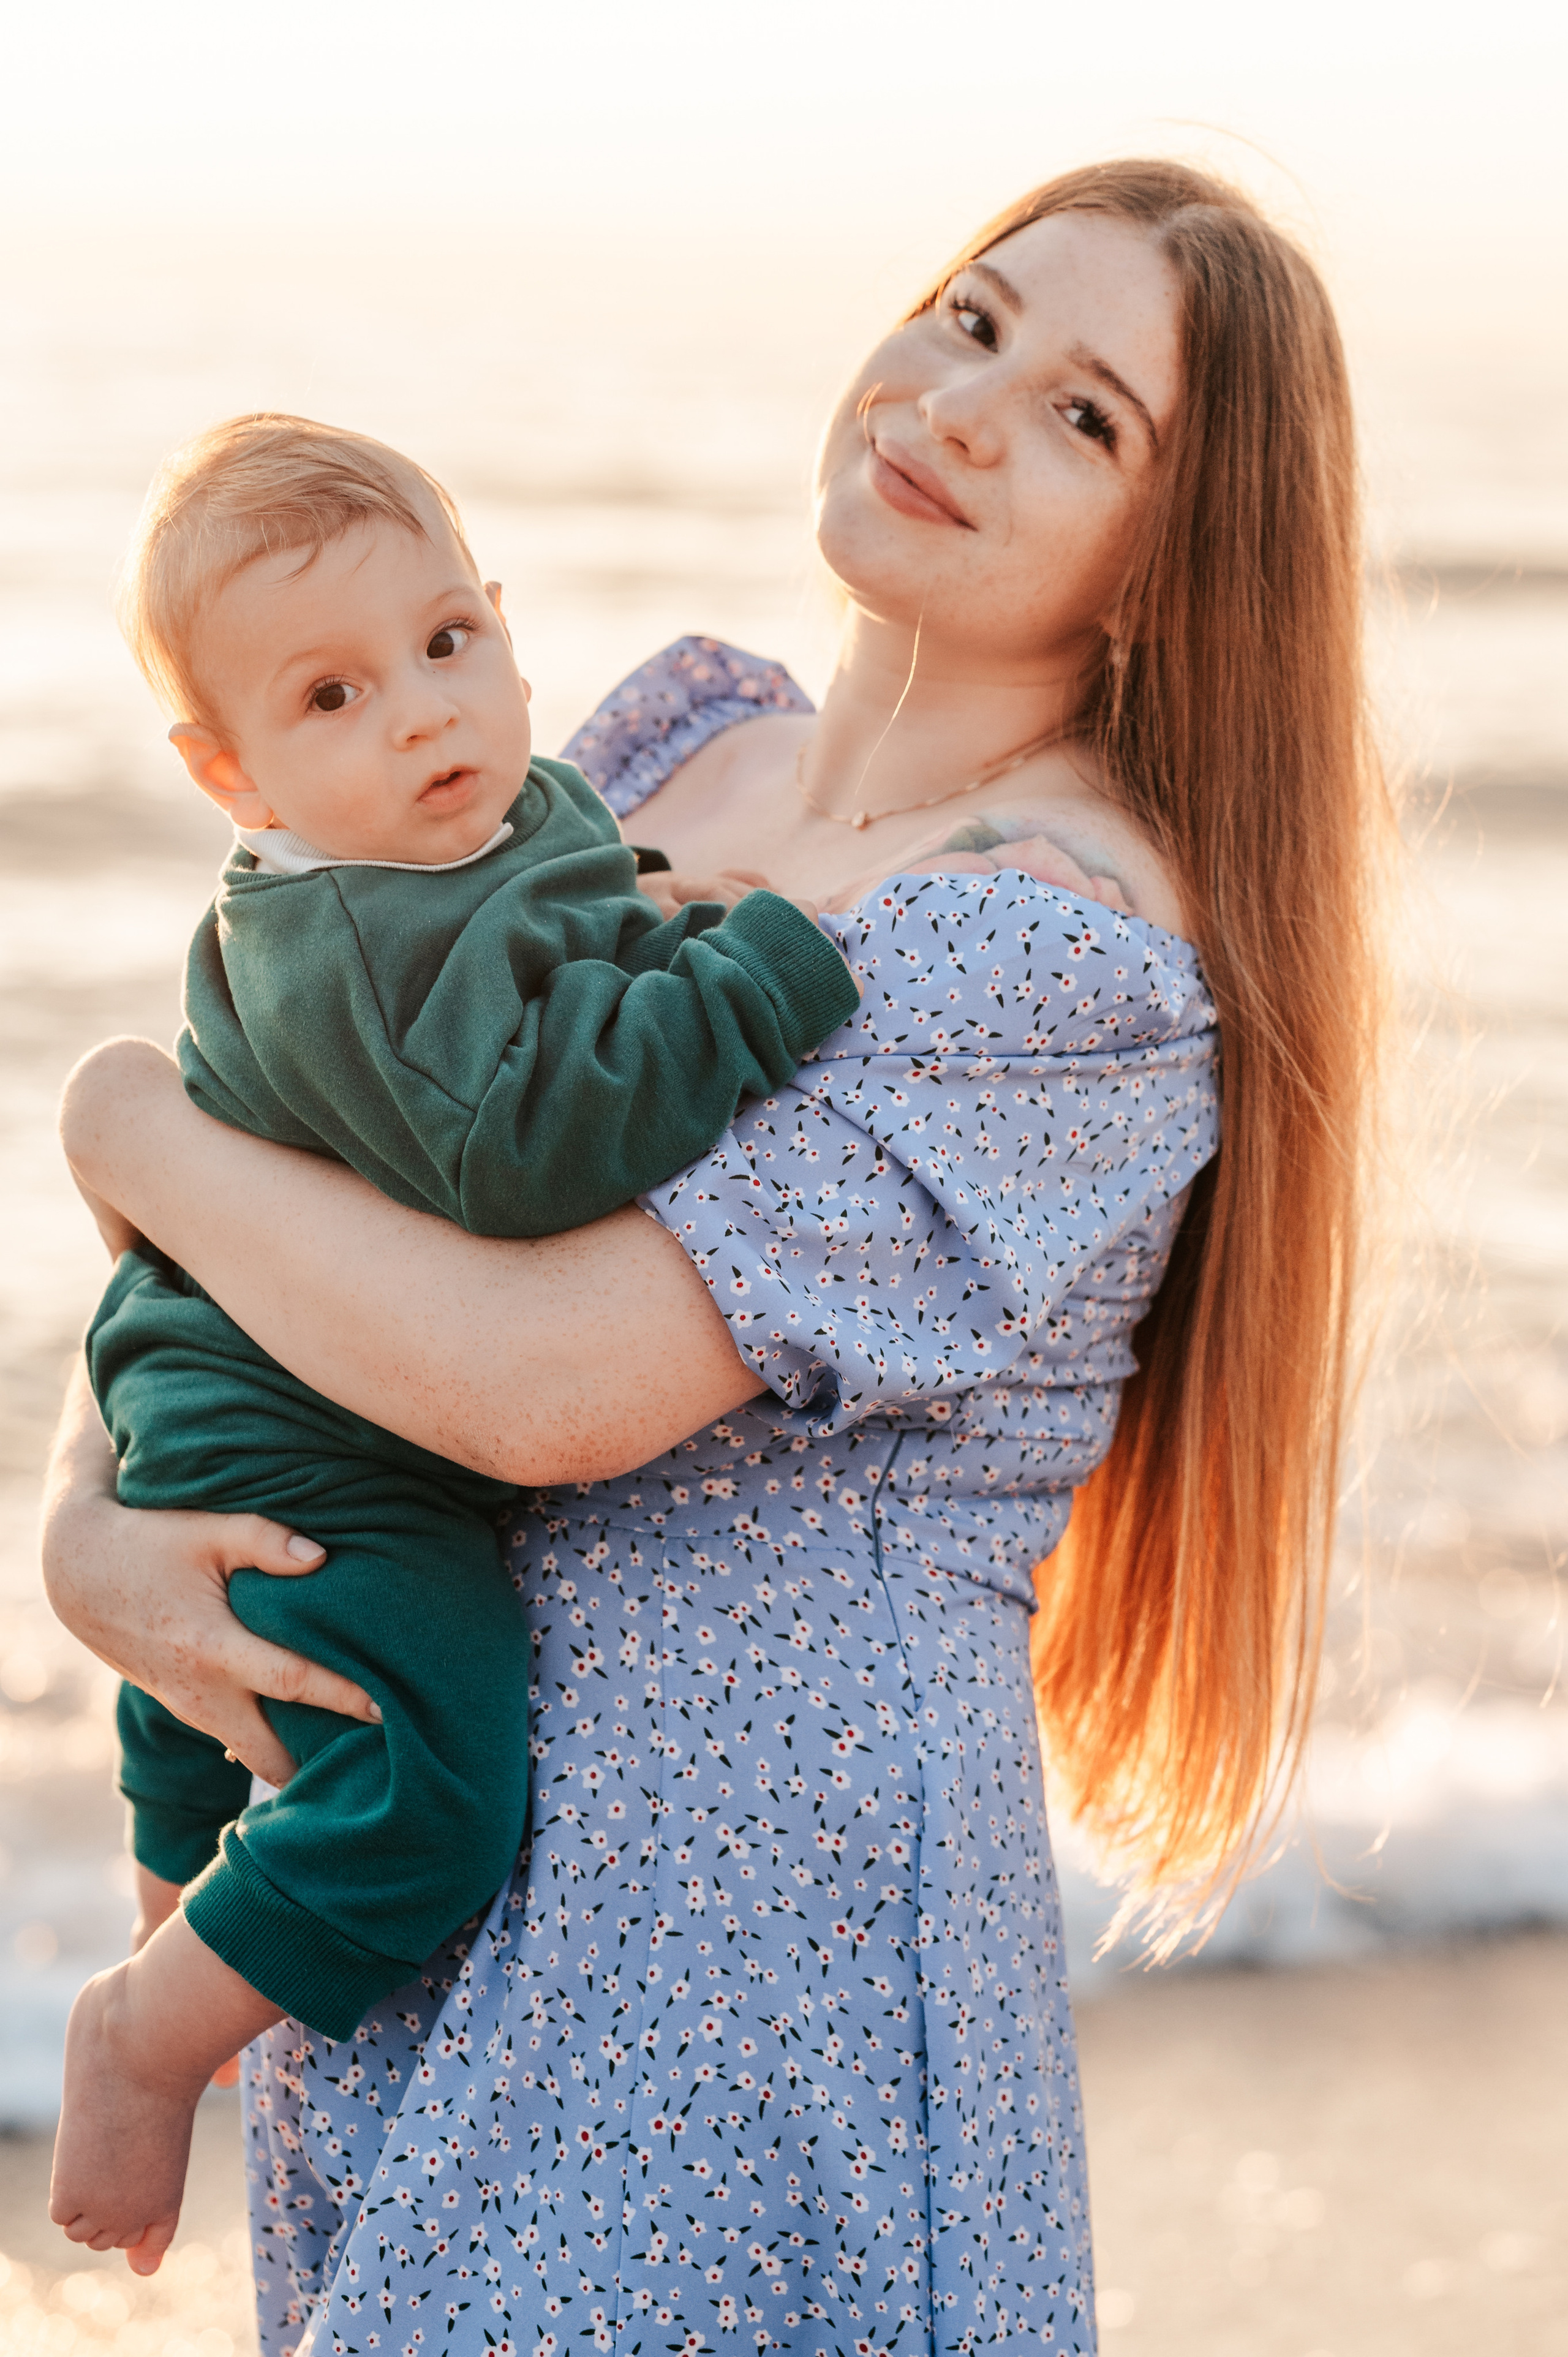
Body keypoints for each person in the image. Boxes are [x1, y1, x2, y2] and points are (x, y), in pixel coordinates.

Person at [42, 160, 1386, 2354]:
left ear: (1182, 559)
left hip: (751, 1973)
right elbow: (313, 1141)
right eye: (970, 320)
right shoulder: (667, 747)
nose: (961, 405)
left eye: (1084, 419)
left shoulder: (1064, 938)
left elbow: (537, 1378)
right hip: (410, 1862)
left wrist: (115, 1120)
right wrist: (89, 1523)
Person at [48, 413, 859, 2272]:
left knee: (216, 1717)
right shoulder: (350, 941)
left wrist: (651, 925)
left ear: (500, 619)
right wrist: (758, 977)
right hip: (291, 1432)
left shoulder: (513, 810)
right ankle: (147, 2035)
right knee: (429, 1779)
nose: (422, 714)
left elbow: (588, 932)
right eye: (331, 698)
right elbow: (525, 1149)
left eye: (443, 644)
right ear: (228, 773)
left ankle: (181, 1889)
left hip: (232, 1365)